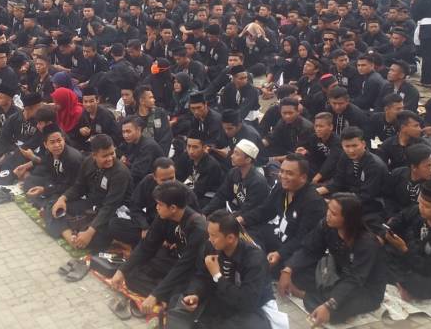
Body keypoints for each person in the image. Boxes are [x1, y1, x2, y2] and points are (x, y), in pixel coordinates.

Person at [280, 193, 388, 324]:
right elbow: (310, 250)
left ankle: (309, 297)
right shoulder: (326, 225)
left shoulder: (367, 243)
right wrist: (288, 269)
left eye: (334, 213)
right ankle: (316, 297)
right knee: (297, 274)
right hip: (338, 275)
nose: (328, 215)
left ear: (348, 219)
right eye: (328, 209)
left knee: (334, 312)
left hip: (364, 288)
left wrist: (328, 305)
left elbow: (355, 279)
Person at [109, 180, 208, 318]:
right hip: (174, 259)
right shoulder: (164, 216)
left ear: (173, 208)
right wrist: (122, 270)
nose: (157, 207)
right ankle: (163, 295)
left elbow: (185, 266)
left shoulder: (198, 227)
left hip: (191, 269)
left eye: (160, 204)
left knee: (182, 297)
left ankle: (163, 296)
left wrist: (155, 295)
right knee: (131, 274)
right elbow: (147, 246)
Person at [170, 209, 279, 329]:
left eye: (213, 236)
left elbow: (247, 302)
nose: (210, 239)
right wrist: (196, 294)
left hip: (250, 308)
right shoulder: (211, 246)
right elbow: (201, 276)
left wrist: (217, 275)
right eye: (209, 234)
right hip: (221, 298)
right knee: (179, 302)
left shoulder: (254, 259)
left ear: (230, 238)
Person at [47, 133, 131, 251]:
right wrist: (63, 199)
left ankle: (80, 233)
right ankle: (72, 239)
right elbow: (79, 187)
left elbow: (110, 207)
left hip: (113, 212)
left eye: (112, 153)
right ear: (94, 155)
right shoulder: (88, 162)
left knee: (98, 238)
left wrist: (90, 232)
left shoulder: (120, 173)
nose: (110, 158)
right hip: (92, 204)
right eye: (105, 156)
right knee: (53, 206)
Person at [382, 181, 431, 301]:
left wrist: (404, 249)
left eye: (426, 206)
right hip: (415, 257)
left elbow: (427, 269)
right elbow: (400, 219)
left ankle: (403, 285)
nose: (421, 208)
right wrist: (387, 233)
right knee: (382, 253)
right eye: (420, 203)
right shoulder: (419, 212)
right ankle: (400, 281)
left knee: (415, 281)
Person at [251, 154, 326, 279]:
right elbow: (264, 211)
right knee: (245, 232)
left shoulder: (313, 202)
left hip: (295, 250)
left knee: (275, 268)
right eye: (282, 171)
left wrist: (280, 254)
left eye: (289, 173)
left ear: (303, 178)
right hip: (278, 236)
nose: (283, 176)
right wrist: (242, 219)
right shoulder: (281, 187)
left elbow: (303, 239)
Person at [317, 126, 388, 219]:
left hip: (371, 203)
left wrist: (334, 202)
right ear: (342, 145)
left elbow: (366, 196)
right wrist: (316, 192)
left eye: (354, 146)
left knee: (330, 211)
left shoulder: (374, 165)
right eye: (347, 146)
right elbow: (338, 181)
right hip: (349, 195)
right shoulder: (345, 156)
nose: (351, 150)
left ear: (363, 144)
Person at [201, 139, 269, 224]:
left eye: (237, 154)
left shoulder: (258, 182)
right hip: (238, 211)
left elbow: (249, 210)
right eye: (233, 152)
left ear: (248, 160)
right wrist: (204, 212)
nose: (232, 156)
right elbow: (221, 196)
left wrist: (224, 220)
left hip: (252, 220)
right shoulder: (233, 172)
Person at [23, 125, 82, 207]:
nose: (57, 145)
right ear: (46, 145)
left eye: (59, 141)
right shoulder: (49, 154)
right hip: (57, 184)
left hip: (70, 189)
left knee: (52, 202)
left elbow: (72, 186)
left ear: (64, 140)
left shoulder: (72, 159)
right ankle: (41, 202)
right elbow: (50, 174)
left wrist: (45, 189)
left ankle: (44, 204)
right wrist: (47, 186)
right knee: (30, 180)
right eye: (52, 142)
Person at [384, 143, 431, 217]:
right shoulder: (398, 174)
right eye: (428, 166)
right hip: (394, 215)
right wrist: (391, 216)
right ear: (414, 167)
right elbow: (388, 197)